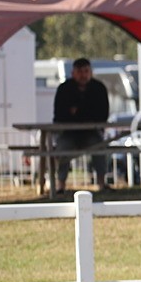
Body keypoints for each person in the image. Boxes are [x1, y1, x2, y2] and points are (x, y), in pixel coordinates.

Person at [52, 57, 110, 191]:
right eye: (79, 71)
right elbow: (60, 115)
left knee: (100, 147)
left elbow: (102, 114)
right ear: (73, 73)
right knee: (63, 148)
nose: (83, 75)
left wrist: (77, 112)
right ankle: (61, 185)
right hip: (68, 133)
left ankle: (101, 183)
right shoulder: (64, 89)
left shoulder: (98, 88)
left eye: (86, 71)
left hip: (91, 132)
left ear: (91, 72)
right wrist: (84, 114)